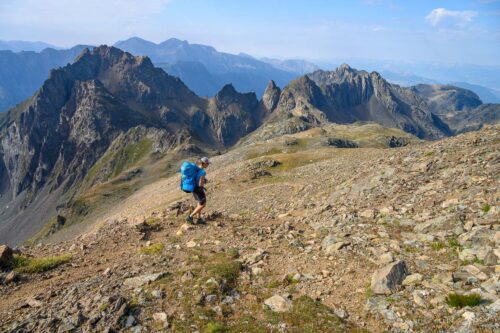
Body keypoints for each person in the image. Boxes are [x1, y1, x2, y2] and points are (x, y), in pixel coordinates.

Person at [186, 157, 210, 224]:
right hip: (198, 190)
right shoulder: (202, 172)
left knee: (199, 203)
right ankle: (190, 217)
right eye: (207, 163)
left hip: (193, 188)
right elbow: (200, 184)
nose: (208, 165)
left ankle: (199, 219)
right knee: (203, 204)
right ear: (204, 163)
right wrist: (203, 182)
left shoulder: (196, 169)